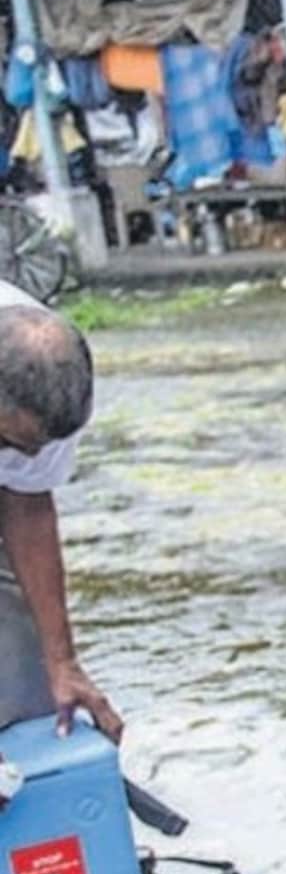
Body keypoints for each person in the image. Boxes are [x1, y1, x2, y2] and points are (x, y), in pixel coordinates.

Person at [0, 284, 120, 741]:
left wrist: (61, 660)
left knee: (23, 674)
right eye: (11, 444)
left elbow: (27, 506)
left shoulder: (49, 385)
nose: (29, 460)